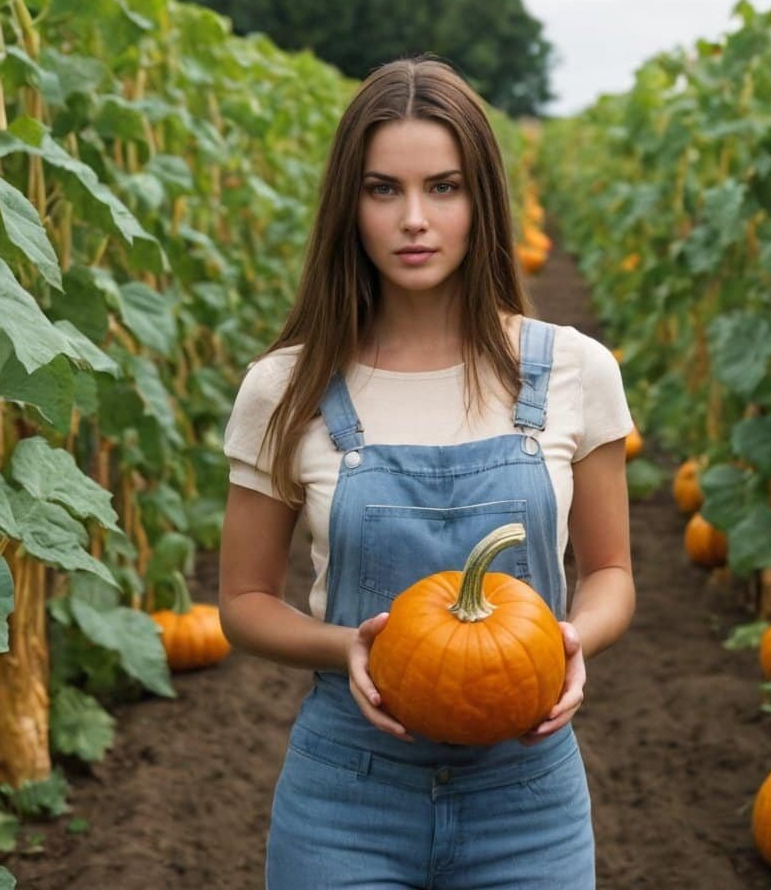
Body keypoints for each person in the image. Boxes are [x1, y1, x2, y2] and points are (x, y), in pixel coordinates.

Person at [219, 54, 636, 890]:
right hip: (347, 797)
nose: (415, 218)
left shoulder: (572, 371)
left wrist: (571, 640)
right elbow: (241, 605)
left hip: (528, 800)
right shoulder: (287, 387)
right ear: (351, 205)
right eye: (384, 190)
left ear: (482, 201)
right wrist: (350, 648)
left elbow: (614, 572)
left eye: (443, 187)